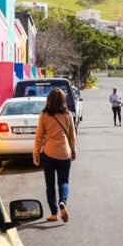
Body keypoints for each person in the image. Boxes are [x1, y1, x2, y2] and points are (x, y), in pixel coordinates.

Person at [33, 88, 77, 223]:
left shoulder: (44, 115)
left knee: (50, 184)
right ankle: (62, 201)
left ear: (49, 100)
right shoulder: (67, 114)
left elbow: (39, 136)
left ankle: (54, 213)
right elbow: (72, 136)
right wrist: (74, 151)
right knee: (63, 182)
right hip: (64, 153)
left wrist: (36, 153)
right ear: (63, 100)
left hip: (49, 153)